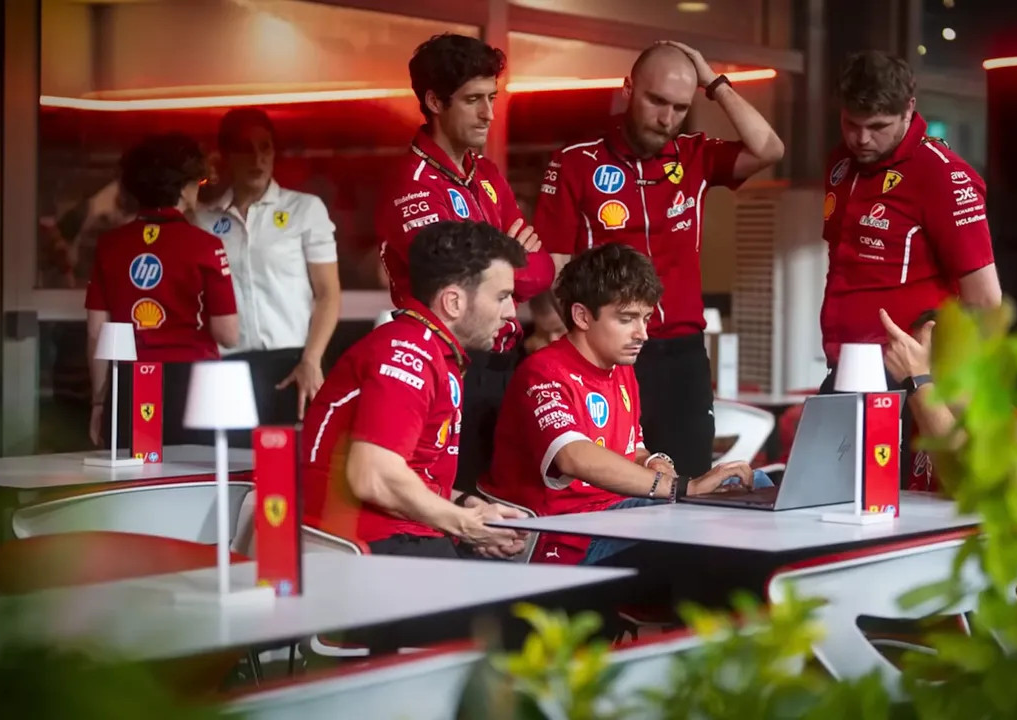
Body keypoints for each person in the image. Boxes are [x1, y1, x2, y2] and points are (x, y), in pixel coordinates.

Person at [534, 41, 785, 478]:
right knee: (613, 482)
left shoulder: (695, 155)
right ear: (628, 89)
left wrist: (713, 81)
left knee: (689, 481)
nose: (667, 118)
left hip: (682, 356)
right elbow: (553, 265)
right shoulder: (576, 161)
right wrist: (587, 340)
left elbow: (769, 149)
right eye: (656, 101)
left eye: (680, 107)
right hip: (608, 355)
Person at [485, 244, 757, 566]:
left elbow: (631, 448)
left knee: (751, 487)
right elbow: (573, 457)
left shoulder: (621, 368)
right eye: (627, 319)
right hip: (567, 534)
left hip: (620, 515)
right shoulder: (542, 371)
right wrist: (682, 488)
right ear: (582, 316)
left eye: (646, 318)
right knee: (717, 521)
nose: (642, 334)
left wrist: (653, 460)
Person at [380, 33, 556, 496]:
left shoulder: (488, 173)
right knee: (456, 507)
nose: (489, 114)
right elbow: (459, 285)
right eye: (473, 100)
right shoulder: (411, 183)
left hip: (504, 363)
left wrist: (500, 267)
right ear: (435, 102)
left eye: (492, 98)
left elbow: (541, 272)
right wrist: (510, 254)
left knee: (509, 503)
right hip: (448, 369)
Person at [818, 50, 1001, 486]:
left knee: (900, 508)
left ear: (909, 110)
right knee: (819, 503)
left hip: (909, 383)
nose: (862, 139)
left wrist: (962, 394)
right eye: (851, 124)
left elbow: (986, 301)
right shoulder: (840, 165)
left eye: (878, 126)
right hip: (844, 370)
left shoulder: (943, 175)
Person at [301, 220, 529, 560]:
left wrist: (468, 506)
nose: (511, 313)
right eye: (502, 296)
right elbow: (374, 476)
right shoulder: (409, 352)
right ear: (453, 302)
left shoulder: (430, 350)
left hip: (395, 539)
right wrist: (465, 525)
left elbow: (408, 476)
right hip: (363, 547)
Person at [85, 132, 238, 447]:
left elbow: (97, 331)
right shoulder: (207, 246)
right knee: (194, 473)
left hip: (130, 380)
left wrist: (100, 401)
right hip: (195, 383)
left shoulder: (110, 245)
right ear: (183, 188)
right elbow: (227, 334)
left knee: (135, 473)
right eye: (198, 182)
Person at [196, 108, 341, 432]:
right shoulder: (203, 220)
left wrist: (311, 359)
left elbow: (328, 294)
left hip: (293, 363)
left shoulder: (305, 209)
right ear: (226, 155)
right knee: (229, 459)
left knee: (290, 460)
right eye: (244, 148)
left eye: (265, 147)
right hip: (226, 367)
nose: (257, 158)